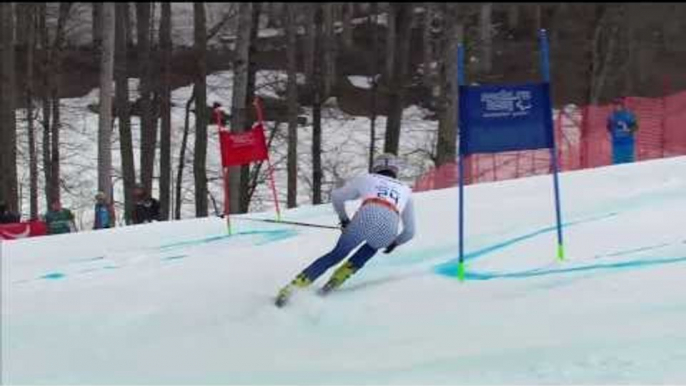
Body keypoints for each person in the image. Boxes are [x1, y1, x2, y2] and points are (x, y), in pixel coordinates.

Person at [275, 153, 417, 307]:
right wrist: (394, 243)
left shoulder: (367, 178)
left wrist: (344, 219)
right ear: (395, 170)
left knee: (336, 255)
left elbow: (337, 197)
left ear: (375, 168)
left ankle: (292, 289)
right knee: (369, 249)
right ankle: (333, 284)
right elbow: (410, 231)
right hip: (389, 226)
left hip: (366, 216)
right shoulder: (406, 190)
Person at [607, 98, 639, 164]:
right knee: (617, 165)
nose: (616, 107)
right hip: (616, 145)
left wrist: (629, 130)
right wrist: (611, 127)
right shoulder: (611, 116)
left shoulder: (629, 115)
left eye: (618, 105)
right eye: (615, 105)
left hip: (628, 144)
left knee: (629, 164)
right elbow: (609, 127)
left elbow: (635, 126)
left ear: (622, 106)